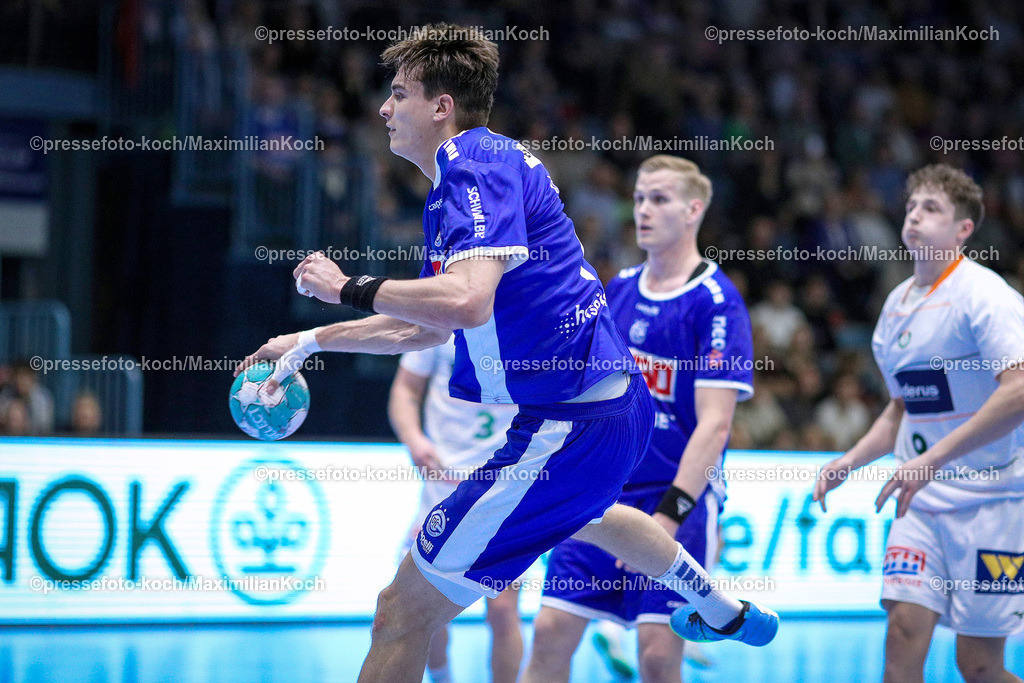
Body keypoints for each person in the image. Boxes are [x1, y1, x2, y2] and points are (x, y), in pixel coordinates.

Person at [236, 25, 777, 682]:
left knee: (399, 610)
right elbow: (427, 328)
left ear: (442, 107)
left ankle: (713, 605)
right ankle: (718, 605)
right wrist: (308, 341)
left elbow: (466, 303)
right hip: (606, 411)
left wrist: (345, 286)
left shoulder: (471, 165)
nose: (383, 108)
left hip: (569, 421)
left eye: (399, 93)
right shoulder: (478, 173)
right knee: (590, 514)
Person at [524, 155, 754, 683]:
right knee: (552, 632)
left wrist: (666, 520)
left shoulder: (716, 301)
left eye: (660, 199)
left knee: (656, 652)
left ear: (694, 209)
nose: (644, 209)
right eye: (639, 198)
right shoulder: (619, 288)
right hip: (604, 492)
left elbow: (715, 426)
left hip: (675, 498)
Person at [814, 164, 1024, 683]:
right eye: (911, 206)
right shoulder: (895, 306)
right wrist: (848, 462)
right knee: (904, 633)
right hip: (920, 502)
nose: (914, 216)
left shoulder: (986, 295)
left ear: (963, 230)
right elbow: (900, 408)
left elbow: (1019, 388)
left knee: (978, 666)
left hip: (994, 502)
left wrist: (928, 462)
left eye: (931, 208)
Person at [388, 337, 521, 683]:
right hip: (443, 486)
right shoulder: (440, 315)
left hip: (503, 489)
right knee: (420, 608)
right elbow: (405, 388)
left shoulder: (527, 315)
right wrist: (414, 439)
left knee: (504, 609)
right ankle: (443, 678)